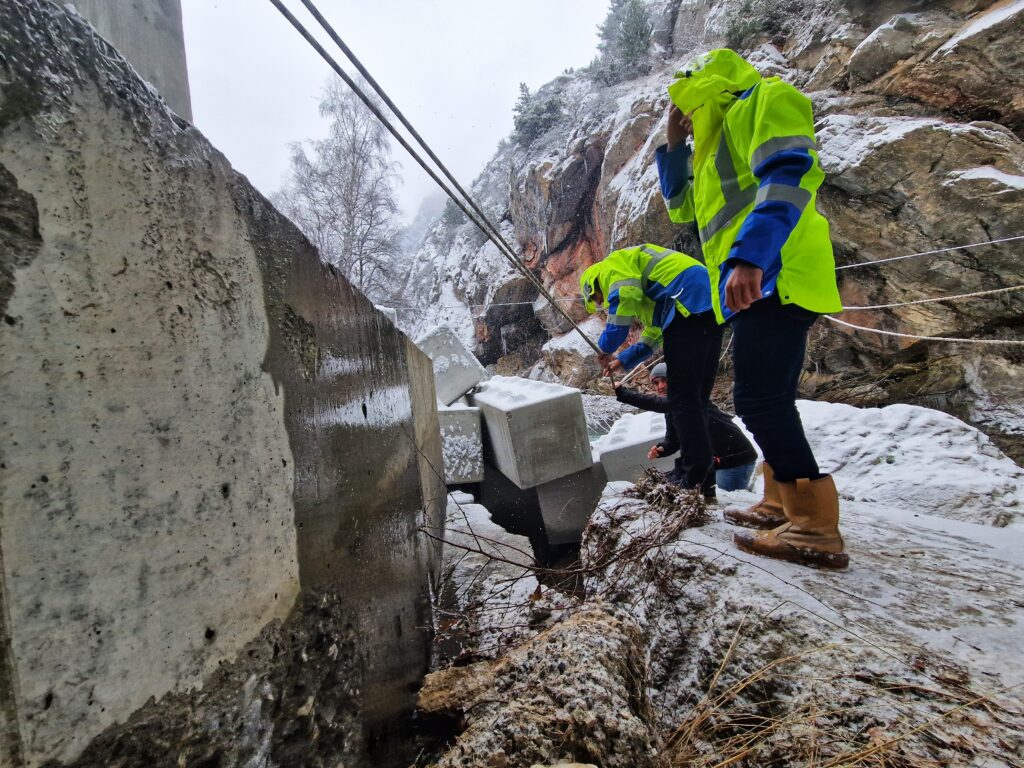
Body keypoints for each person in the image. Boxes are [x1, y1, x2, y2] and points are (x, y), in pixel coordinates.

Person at [654, 49, 848, 568]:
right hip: (756, 281)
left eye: (689, 108)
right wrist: (674, 147)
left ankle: (814, 527)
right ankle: (781, 502)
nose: (685, 118)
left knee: (758, 400)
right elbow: (680, 208)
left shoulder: (763, 99)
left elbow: (789, 173)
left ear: (706, 95)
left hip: (774, 273)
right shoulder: (710, 148)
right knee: (771, 398)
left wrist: (750, 257)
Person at [580, 243, 722, 492]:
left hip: (685, 304)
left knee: (682, 399)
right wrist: (622, 360)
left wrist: (605, 347)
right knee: (695, 399)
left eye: (599, 299)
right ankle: (701, 473)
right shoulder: (653, 291)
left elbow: (624, 298)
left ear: (593, 286)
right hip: (707, 307)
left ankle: (693, 474)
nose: (603, 303)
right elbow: (655, 333)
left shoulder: (612, 266)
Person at [614, 362, 758, 499]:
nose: (661, 386)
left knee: (728, 503)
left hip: (735, 460)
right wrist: (662, 449)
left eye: (665, 380)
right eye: (656, 383)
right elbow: (673, 440)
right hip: (713, 462)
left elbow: (656, 403)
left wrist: (623, 393)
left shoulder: (691, 399)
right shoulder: (672, 409)